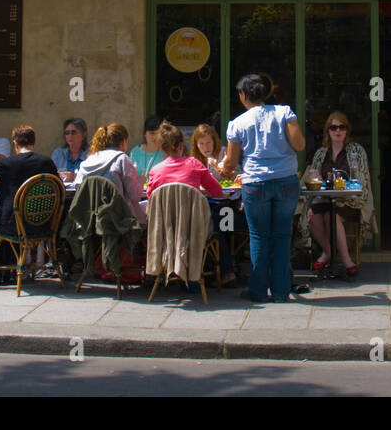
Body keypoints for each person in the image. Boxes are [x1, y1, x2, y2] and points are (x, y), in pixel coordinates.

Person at [223, 73, 305, 303]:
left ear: (242, 95)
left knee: (258, 236)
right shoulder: (284, 113)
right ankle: (280, 291)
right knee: (281, 236)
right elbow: (299, 144)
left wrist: (225, 170)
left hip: (255, 183)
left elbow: (230, 162)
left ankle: (258, 291)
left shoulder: (238, 123)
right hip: (286, 181)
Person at [148, 121, 234, 286]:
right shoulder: (194, 164)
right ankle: (227, 271)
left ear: (163, 148)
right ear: (181, 146)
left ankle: (154, 274)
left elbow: (152, 200)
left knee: (223, 221)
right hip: (194, 229)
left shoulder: (155, 171)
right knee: (223, 223)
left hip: (167, 230)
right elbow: (217, 191)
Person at [0, 125, 56, 285]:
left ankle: (1, 269)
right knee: (6, 216)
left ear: (15, 143)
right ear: (34, 143)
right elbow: (58, 185)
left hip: (11, 225)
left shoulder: (6, 163)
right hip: (41, 223)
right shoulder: (46, 163)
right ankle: (13, 268)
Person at [302, 111, 373, 277]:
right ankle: (329, 252)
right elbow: (314, 175)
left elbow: (361, 179)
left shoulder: (355, 151)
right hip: (326, 197)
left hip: (349, 199)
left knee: (330, 216)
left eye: (342, 127)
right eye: (333, 127)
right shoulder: (321, 153)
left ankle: (346, 260)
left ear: (347, 130)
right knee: (311, 215)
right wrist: (315, 177)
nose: (337, 131)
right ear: (327, 131)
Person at [75, 122, 146, 225]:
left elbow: (78, 187)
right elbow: (135, 196)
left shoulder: (87, 162)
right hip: (118, 222)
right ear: (123, 142)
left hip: (89, 222)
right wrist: (140, 181)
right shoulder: (122, 159)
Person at [128, 115, 165, 180]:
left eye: (158, 133)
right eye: (152, 133)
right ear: (144, 133)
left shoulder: (165, 153)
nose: (155, 137)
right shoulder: (135, 152)